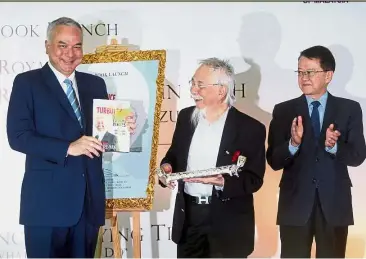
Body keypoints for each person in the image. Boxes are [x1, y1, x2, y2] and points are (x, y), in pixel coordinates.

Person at [6, 17, 135, 258]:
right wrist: (67, 147)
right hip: (46, 206)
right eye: (62, 45)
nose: (70, 53)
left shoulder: (95, 84)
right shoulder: (27, 83)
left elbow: (102, 138)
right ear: (47, 46)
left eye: (77, 46)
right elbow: (18, 137)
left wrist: (123, 127)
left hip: (88, 204)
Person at [158, 58, 266, 258]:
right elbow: (173, 155)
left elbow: (254, 179)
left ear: (221, 91)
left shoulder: (250, 128)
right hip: (189, 218)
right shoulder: (185, 117)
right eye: (192, 83)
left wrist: (222, 181)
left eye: (200, 85)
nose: (193, 90)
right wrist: (165, 168)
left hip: (228, 224)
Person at [266, 45, 366, 258]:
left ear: (328, 75)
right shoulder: (283, 111)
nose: (304, 78)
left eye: (310, 72)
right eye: (300, 72)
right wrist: (293, 143)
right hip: (294, 205)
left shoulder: (349, 109)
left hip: (334, 205)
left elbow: (358, 156)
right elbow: (274, 160)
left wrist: (335, 146)